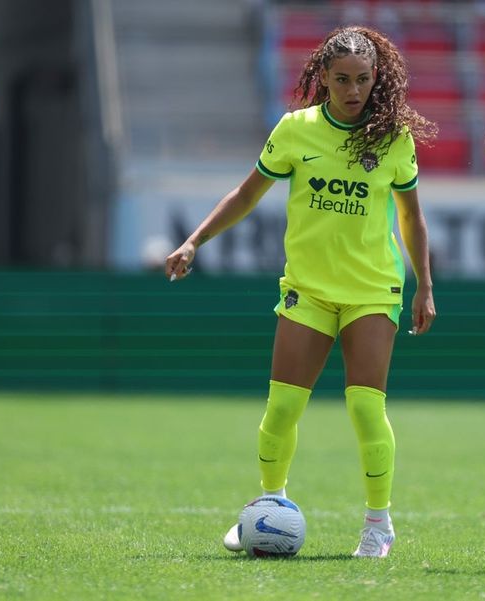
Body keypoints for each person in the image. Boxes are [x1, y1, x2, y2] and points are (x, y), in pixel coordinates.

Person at [165, 25, 437, 558]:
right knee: (283, 409)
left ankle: (378, 525)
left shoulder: (393, 139)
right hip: (307, 290)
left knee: (364, 409)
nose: (353, 90)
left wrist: (424, 283)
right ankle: (267, 511)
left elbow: (412, 219)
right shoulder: (295, 130)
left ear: (376, 77)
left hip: (372, 291)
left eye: (362, 79)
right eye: (342, 80)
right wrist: (195, 240)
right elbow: (247, 194)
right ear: (323, 78)